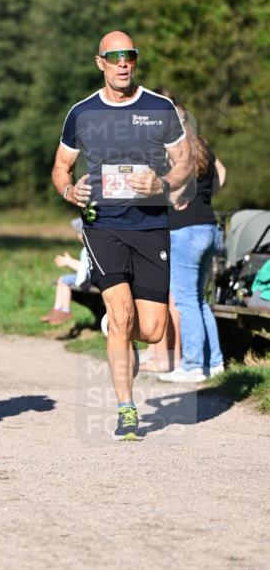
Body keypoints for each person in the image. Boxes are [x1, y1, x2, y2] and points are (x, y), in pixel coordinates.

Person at [51, 31, 192, 441]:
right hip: (103, 226)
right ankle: (127, 409)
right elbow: (61, 167)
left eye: (128, 56)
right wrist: (68, 190)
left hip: (150, 226)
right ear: (101, 63)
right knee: (122, 316)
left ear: (135, 60)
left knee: (151, 330)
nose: (122, 63)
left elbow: (184, 163)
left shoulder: (159, 107)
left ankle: (118, 327)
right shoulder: (82, 113)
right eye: (114, 57)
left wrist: (162, 183)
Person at [156, 96, 226, 383]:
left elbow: (168, 192)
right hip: (209, 227)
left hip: (184, 232)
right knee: (198, 300)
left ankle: (193, 365)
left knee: (185, 301)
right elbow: (221, 174)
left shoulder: (176, 152)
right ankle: (216, 362)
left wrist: (176, 197)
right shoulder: (204, 147)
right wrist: (203, 197)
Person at [40, 218, 90, 325]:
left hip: (90, 279)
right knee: (62, 279)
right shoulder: (87, 249)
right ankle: (57, 309)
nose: (78, 236)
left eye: (79, 233)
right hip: (87, 277)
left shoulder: (88, 250)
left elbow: (84, 268)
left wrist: (68, 262)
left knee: (65, 281)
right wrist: (69, 261)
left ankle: (66, 310)